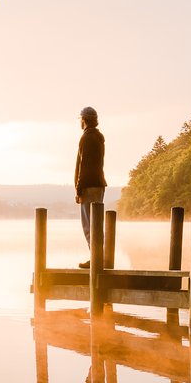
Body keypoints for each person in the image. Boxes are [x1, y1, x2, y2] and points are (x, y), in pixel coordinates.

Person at [74, 106, 106, 266]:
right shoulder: (99, 137)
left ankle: (95, 260)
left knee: (89, 225)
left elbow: (84, 165)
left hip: (89, 186)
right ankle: (99, 258)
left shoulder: (86, 138)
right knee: (97, 223)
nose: (80, 121)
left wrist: (79, 189)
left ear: (84, 119)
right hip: (99, 185)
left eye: (80, 118)